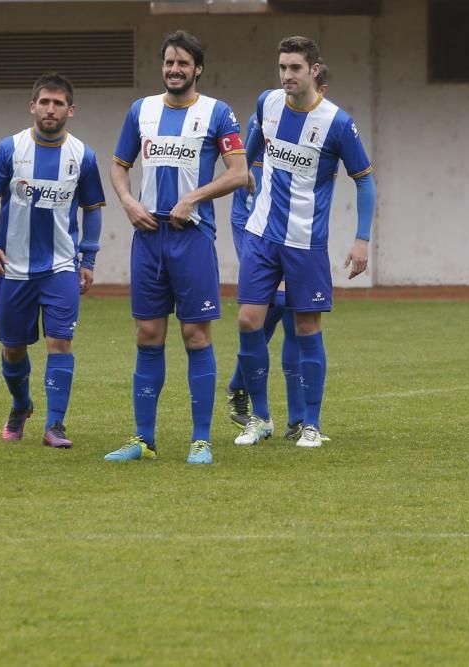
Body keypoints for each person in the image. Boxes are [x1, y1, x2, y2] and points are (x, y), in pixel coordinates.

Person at [105, 30, 248, 465]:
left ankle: (200, 440)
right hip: (148, 238)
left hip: (192, 238)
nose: (174, 69)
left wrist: (193, 198)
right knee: (147, 335)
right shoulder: (141, 111)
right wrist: (129, 202)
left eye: (183, 63)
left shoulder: (218, 114)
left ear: (197, 69)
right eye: (168, 62)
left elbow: (239, 173)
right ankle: (143, 439)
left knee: (194, 334)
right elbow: (118, 166)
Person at [234, 37, 376, 449]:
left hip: (305, 241)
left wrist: (362, 239)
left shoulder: (337, 122)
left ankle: (311, 424)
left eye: (295, 68)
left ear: (314, 70)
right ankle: (259, 418)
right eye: (282, 67)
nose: (286, 76)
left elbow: (364, 180)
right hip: (261, 235)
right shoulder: (267, 104)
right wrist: (244, 178)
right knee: (248, 321)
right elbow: (250, 154)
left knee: (307, 326)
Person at [0, 73, 106, 449]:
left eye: (58, 103)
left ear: (71, 110)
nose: (51, 109)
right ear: (32, 105)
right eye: (44, 102)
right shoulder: (9, 149)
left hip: (61, 266)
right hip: (13, 268)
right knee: (13, 348)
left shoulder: (83, 156)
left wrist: (89, 258)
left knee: (60, 342)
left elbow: (93, 209)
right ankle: (21, 405)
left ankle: (55, 426)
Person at [225, 63, 332, 442]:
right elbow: (240, 164)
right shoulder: (266, 118)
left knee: (289, 315)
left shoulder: (320, 128)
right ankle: (245, 390)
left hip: (293, 233)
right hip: (254, 224)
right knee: (267, 310)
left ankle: (298, 420)